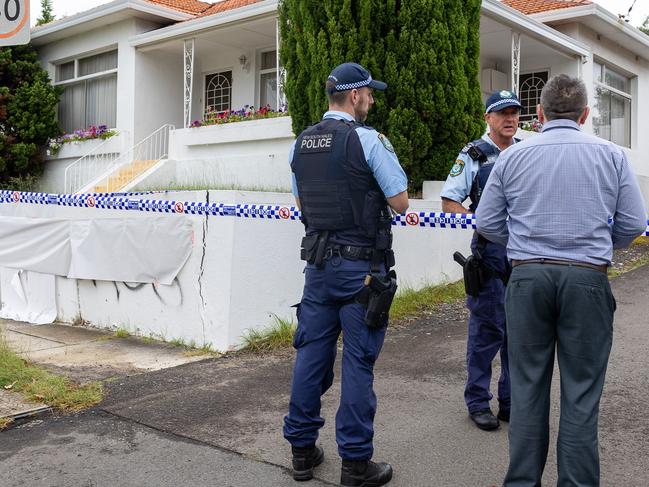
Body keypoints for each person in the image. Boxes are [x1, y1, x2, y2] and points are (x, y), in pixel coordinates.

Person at [476, 74, 647, 486]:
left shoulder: (513, 157)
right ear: (585, 114)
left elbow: (486, 222)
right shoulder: (611, 156)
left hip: (527, 278)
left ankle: (521, 482)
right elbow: (632, 224)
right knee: (582, 394)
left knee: (528, 387)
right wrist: (596, 244)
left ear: (539, 113)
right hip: (587, 279)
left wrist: (523, 241)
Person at [283, 62, 409, 487]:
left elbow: (303, 208)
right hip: (361, 273)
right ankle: (355, 464)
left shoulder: (300, 144)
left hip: (317, 270)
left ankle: (302, 452)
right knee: (358, 362)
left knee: (310, 356)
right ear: (354, 96)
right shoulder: (368, 140)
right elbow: (401, 202)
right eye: (369, 94)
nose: (371, 100)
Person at [440, 90, 522, 431]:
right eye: (502, 113)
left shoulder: (526, 152)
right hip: (489, 253)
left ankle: (510, 403)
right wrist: (485, 225)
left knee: (519, 333)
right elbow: (449, 202)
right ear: (488, 118)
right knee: (486, 332)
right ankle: (477, 402)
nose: (510, 118)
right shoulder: (473, 155)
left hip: (522, 254)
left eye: (515, 112)